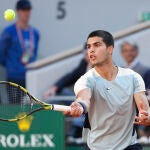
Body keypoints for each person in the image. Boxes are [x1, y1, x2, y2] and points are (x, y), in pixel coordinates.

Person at [65, 30, 150, 150]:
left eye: (97, 45)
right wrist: (79, 105)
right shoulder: (85, 80)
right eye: (89, 47)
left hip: (128, 147)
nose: (91, 50)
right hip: (95, 147)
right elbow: (84, 97)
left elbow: (144, 109)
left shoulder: (133, 77)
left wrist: (146, 117)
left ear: (110, 49)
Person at [43, 44, 91, 142]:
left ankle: (76, 133)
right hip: (83, 100)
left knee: (82, 108)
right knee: (62, 93)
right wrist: (54, 88)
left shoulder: (104, 67)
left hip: (96, 103)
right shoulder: (83, 64)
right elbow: (70, 76)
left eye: (91, 54)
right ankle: (75, 132)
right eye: (86, 54)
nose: (88, 57)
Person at [0, 0, 40, 88]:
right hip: (14, 77)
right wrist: (12, 66)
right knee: (15, 102)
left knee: (30, 101)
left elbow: (34, 53)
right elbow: (1, 54)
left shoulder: (35, 33)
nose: (26, 13)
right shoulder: (9, 31)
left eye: (28, 10)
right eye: (23, 10)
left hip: (30, 76)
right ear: (18, 12)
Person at [121, 42, 150, 143]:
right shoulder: (118, 70)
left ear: (136, 52)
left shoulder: (145, 70)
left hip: (140, 104)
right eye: (125, 51)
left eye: (131, 50)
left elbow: (147, 91)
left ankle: (143, 134)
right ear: (122, 53)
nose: (129, 54)